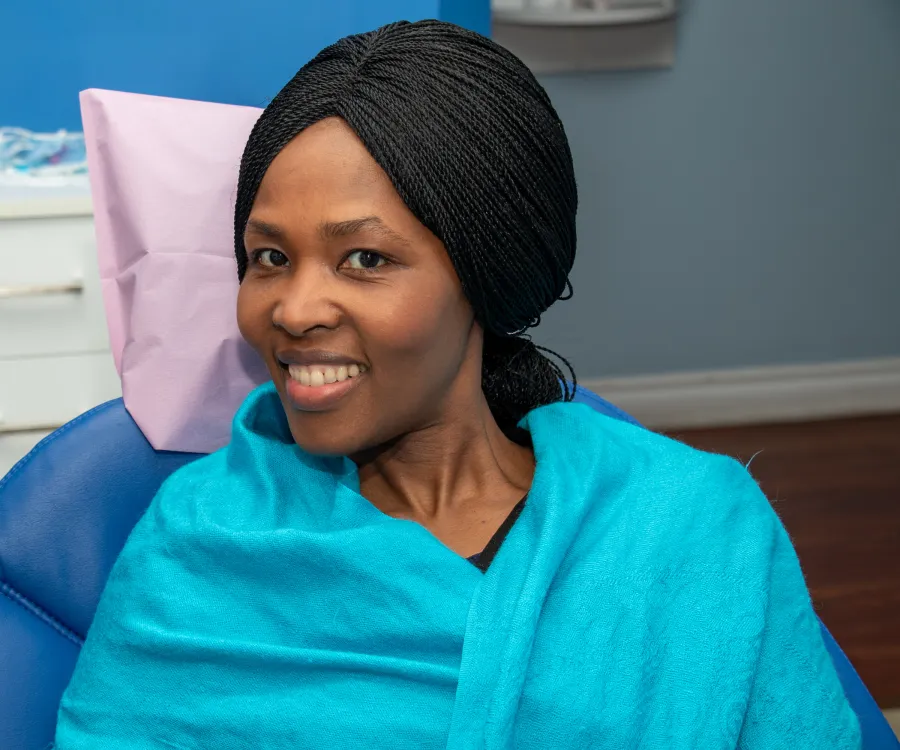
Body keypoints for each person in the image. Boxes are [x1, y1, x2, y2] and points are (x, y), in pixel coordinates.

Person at [53, 20, 860, 749]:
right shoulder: (200, 547)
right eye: (268, 258)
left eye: (364, 259)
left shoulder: (689, 525)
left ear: (485, 276)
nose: (292, 311)